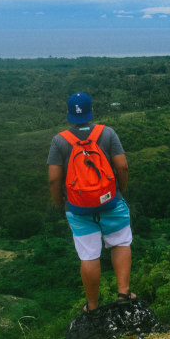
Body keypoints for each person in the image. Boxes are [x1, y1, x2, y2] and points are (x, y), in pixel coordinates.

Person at [48, 92, 136, 313]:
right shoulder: (107, 133)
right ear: (92, 111)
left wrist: (60, 203)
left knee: (89, 255)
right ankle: (124, 293)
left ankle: (93, 307)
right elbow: (123, 166)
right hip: (111, 202)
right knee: (120, 242)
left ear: (69, 114)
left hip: (78, 208)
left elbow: (54, 179)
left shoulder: (59, 141)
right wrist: (119, 190)